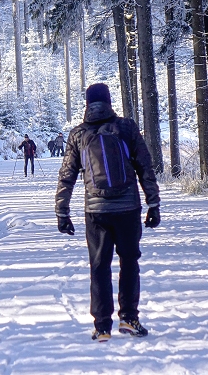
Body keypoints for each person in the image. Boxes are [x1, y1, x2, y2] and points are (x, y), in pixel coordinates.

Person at [55, 83, 161, 342]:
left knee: (99, 266)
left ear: (88, 105)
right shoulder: (126, 127)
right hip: (128, 208)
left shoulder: (78, 134)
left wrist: (62, 211)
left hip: (95, 210)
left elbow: (67, 175)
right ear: (109, 102)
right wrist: (153, 203)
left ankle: (102, 326)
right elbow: (145, 166)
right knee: (129, 262)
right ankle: (129, 318)